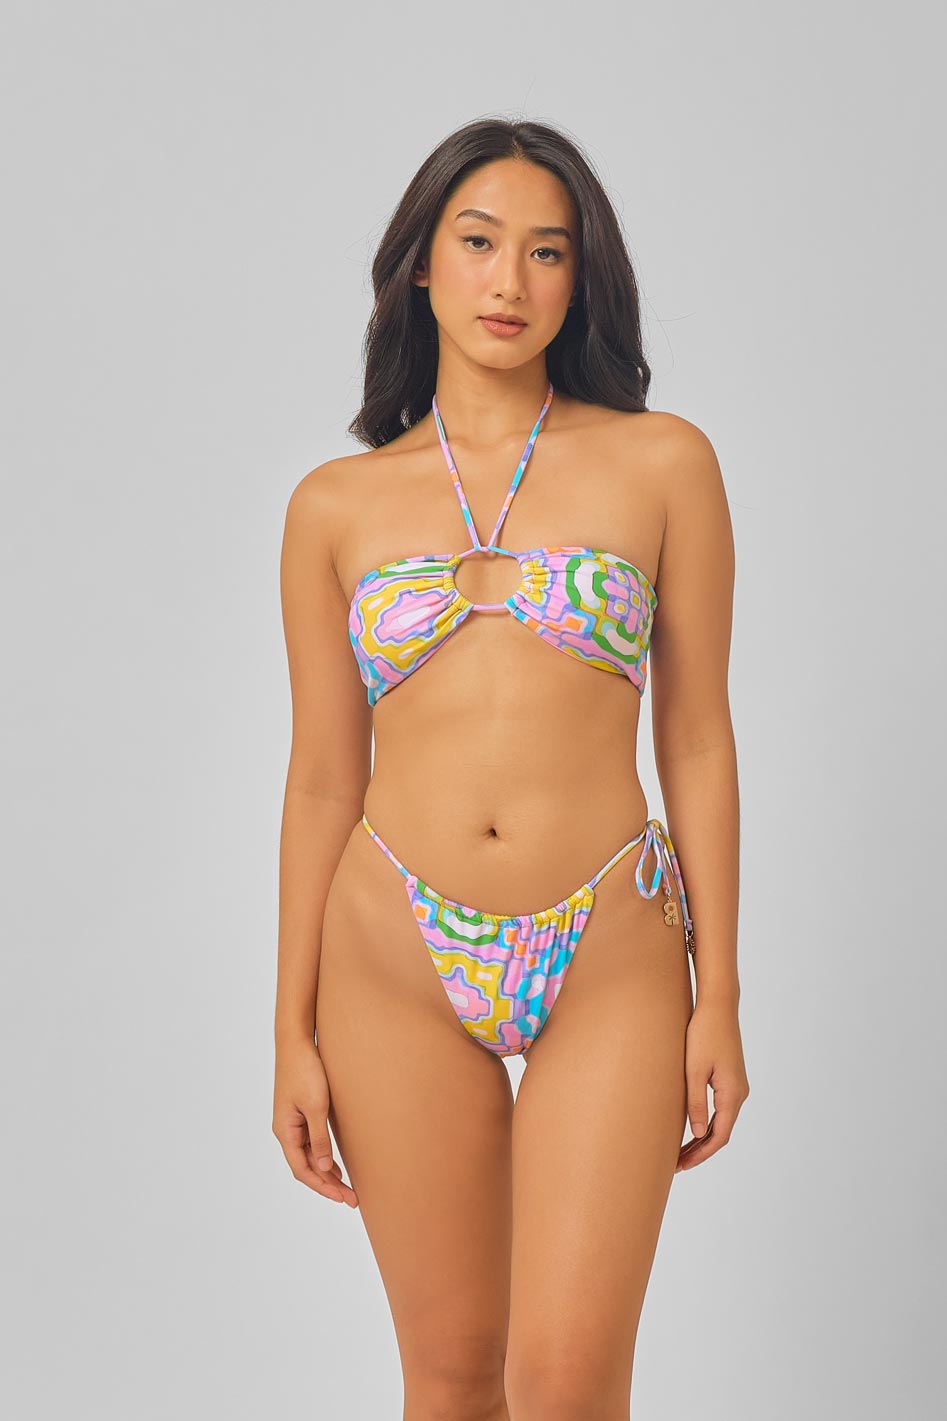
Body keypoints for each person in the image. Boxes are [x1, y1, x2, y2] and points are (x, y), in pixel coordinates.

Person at [273, 116, 749, 1420]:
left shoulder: (663, 463)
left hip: (609, 944)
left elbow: (697, 737)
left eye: (548, 252)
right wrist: (289, 1029)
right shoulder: (333, 506)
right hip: (391, 950)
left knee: (567, 1380)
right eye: (479, 243)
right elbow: (320, 780)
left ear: (581, 278)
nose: (510, 282)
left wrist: (720, 993)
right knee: (447, 1378)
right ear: (420, 264)